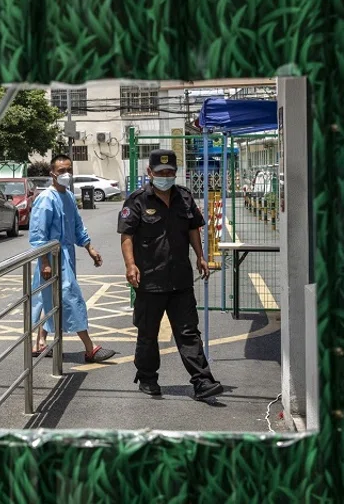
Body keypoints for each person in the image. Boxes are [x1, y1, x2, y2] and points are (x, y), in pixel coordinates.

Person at [117, 149, 224, 400]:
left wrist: (200, 256)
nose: (165, 176)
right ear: (150, 172)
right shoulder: (137, 201)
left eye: (170, 172)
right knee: (148, 333)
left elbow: (193, 228)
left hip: (180, 279)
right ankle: (147, 377)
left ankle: (202, 381)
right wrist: (130, 265)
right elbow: (127, 236)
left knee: (189, 332)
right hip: (149, 280)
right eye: (161, 172)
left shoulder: (184, 197)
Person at [30, 154, 116, 363]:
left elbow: (77, 226)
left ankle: (39, 342)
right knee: (70, 298)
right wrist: (45, 263)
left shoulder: (68, 196)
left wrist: (90, 248)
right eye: (61, 171)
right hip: (52, 258)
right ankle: (90, 348)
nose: (66, 174)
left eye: (69, 170)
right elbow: (38, 234)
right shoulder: (46, 199)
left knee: (51, 298)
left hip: (65, 256)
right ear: (52, 173)